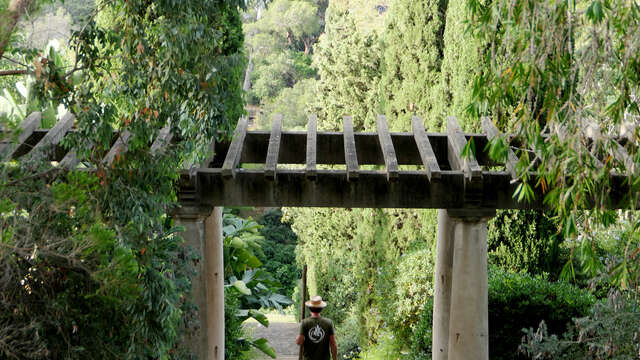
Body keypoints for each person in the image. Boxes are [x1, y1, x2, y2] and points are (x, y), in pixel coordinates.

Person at [296, 295, 338, 360]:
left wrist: (298, 338)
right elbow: (333, 343)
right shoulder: (329, 322)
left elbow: (299, 342)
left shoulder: (304, 322)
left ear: (309, 308)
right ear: (321, 308)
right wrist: (335, 358)